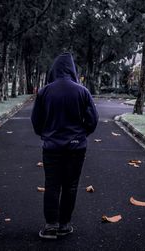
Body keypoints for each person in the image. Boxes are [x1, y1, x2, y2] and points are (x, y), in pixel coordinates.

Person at [31, 52, 99, 239]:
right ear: (72, 70)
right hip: (76, 147)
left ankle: (50, 225)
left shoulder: (45, 91)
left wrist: (45, 134)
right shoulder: (82, 91)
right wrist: (82, 134)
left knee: (52, 185)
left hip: (52, 147)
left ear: (54, 70)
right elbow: (93, 120)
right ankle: (64, 225)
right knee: (70, 186)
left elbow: (36, 120)